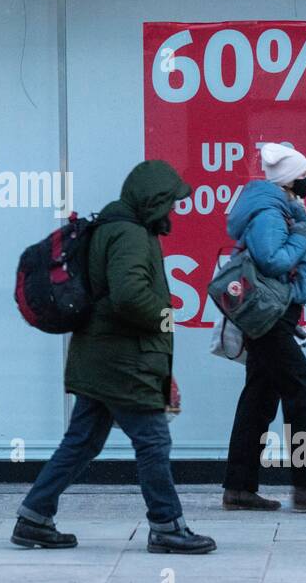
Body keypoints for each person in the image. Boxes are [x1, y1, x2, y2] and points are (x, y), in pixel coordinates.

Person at [12, 160, 216, 554]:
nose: (172, 211)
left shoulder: (109, 227)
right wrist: (165, 317)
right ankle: (167, 525)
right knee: (153, 440)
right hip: (123, 361)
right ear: (153, 201)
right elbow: (128, 295)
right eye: (169, 203)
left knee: (82, 441)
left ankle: (33, 516)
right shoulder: (131, 235)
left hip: (99, 356)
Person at [221, 143, 306, 514]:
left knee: (258, 402)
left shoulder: (281, 207)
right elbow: (271, 259)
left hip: (276, 316)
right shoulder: (270, 212)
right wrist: (304, 236)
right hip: (269, 319)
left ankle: (239, 488)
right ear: (293, 180)